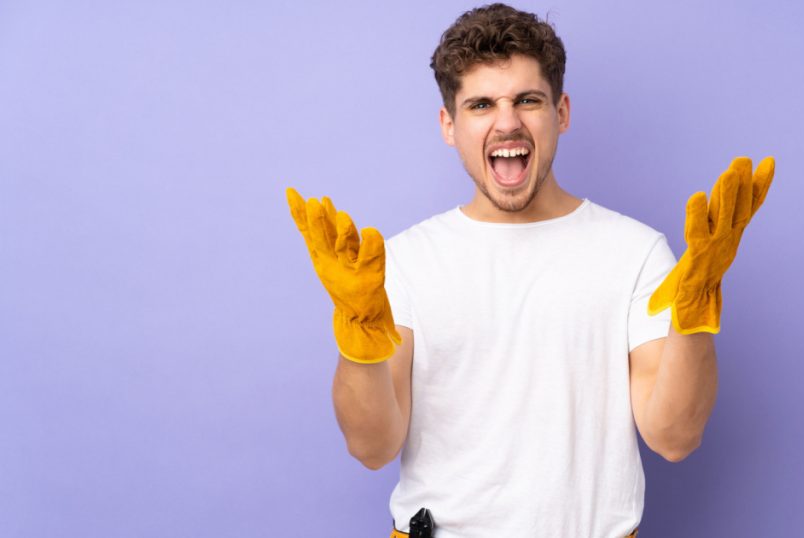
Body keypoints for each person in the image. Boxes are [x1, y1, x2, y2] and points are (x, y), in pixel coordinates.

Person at [285, 4, 774, 537]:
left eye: (527, 99)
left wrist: (698, 304)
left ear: (560, 112)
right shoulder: (403, 263)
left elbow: (675, 437)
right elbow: (371, 446)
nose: (507, 121)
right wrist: (357, 330)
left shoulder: (635, 253)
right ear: (449, 124)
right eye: (480, 104)